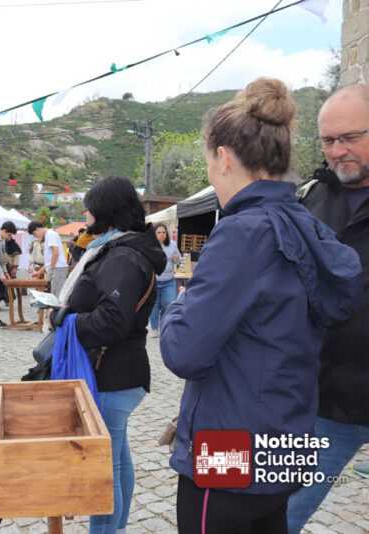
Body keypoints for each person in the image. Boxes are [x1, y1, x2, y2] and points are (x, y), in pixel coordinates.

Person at [159, 78, 362, 534]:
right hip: (286, 442)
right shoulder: (305, 224)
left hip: (231, 446)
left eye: (210, 163)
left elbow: (184, 351)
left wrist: (178, 305)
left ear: (224, 157)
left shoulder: (242, 232)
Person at [51, 177, 165, 534]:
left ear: (106, 212)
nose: (86, 215)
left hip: (112, 373)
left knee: (105, 468)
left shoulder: (123, 256)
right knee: (117, 458)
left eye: (90, 209)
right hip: (116, 370)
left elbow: (112, 320)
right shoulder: (117, 248)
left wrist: (66, 319)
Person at [287, 83, 369, 531]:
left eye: (350, 138)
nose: (337, 151)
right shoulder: (311, 198)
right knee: (282, 512)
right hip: (325, 398)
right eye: (328, 140)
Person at [148, 223, 181, 337]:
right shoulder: (150, 246)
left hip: (169, 281)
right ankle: (154, 328)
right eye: (159, 232)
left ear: (166, 234)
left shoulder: (172, 245)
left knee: (168, 304)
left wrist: (176, 259)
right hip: (154, 282)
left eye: (164, 232)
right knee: (154, 306)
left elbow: (179, 261)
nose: (162, 235)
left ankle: (163, 326)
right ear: (154, 234)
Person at [28, 221, 68, 298]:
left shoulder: (50, 234)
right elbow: (49, 261)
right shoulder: (48, 235)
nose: (36, 236)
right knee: (55, 294)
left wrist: (51, 270)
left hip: (58, 269)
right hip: (57, 268)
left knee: (57, 296)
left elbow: (55, 253)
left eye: (34, 234)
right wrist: (39, 272)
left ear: (37, 229)